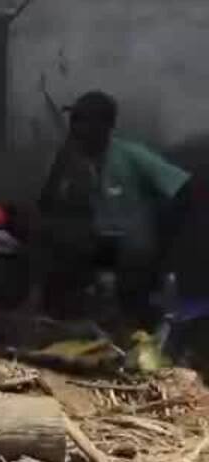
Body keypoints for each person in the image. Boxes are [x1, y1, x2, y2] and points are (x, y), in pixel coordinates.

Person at [28, 91, 197, 326]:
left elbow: (183, 188)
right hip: (98, 244)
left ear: (106, 125)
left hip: (132, 248)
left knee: (131, 303)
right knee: (45, 237)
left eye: (83, 121)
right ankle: (56, 318)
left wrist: (166, 239)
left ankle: (128, 318)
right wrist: (62, 167)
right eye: (75, 120)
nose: (76, 127)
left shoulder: (130, 154)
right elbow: (46, 205)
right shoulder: (70, 157)